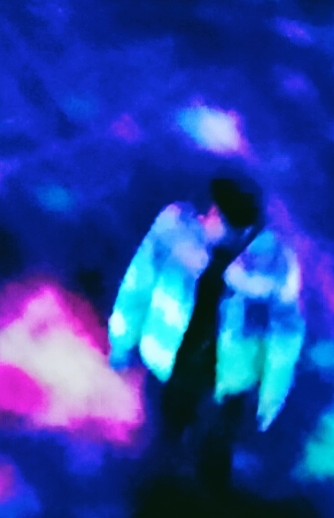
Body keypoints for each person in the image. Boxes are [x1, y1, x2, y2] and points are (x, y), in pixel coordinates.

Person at [108, 173, 302, 503]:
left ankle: (205, 490)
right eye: (210, 212)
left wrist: (273, 392)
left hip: (229, 377)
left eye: (215, 218)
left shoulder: (275, 261)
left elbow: (285, 330)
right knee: (167, 430)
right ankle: (159, 488)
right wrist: (121, 339)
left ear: (243, 229)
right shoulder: (175, 227)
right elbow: (139, 280)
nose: (206, 220)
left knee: (216, 447)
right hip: (171, 360)